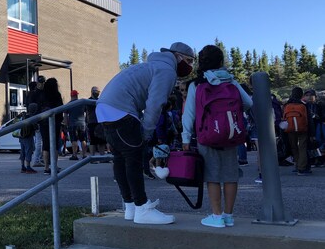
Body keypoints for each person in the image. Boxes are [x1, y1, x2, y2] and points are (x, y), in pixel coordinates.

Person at [97, 41, 195, 225]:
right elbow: (155, 103)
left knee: (120, 159)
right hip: (122, 110)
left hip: (105, 109)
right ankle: (142, 208)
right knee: (133, 159)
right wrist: (147, 132)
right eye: (189, 61)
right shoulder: (166, 71)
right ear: (177, 56)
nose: (190, 66)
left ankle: (131, 207)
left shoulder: (150, 65)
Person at [182, 45, 253, 228]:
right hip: (230, 133)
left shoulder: (196, 85)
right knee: (230, 175)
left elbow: (189, 115)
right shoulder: (230, 81)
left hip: (207, 134)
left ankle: (216, 216)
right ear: (221, 62)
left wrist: (185, 139)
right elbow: (248, 102)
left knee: (212, 176)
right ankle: (229, 215)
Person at [39, 77, 63, 175]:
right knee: (55, 145)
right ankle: (54, 165)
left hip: (44, 122)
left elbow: (39, 108)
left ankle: (46, 167)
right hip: (55, 122)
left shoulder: (42, 95)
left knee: (46, 145)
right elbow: (61, 108)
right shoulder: (57, 95)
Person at [27, 76, 46, 167]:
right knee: (39, 141)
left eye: (43, 83)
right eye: (40, 83)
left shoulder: (43, 93)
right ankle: (36, 160)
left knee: (41, 141)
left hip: (43, 119)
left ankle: (40, 159)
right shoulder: (34, 94)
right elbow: (31, 108)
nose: (42, 84)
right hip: (38, 119)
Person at [85, 86, 107, 164]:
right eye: (95, 91)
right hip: (92, 122)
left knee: (102, 141)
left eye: (98, 91)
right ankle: (93, 158)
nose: (97, 93)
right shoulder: (89, 101)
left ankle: (102, 157)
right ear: (92, 91)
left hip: (100, 122)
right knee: (93, 141)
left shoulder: (100, 100)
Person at [65, 90, 87, 160]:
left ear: (71, 96)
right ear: (77, 95)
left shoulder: (68, 104)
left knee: (74, 140)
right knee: (83, 139)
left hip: (72, 124)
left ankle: (74, 155)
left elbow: (65, 116)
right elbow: (87, 112)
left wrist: (66, 124)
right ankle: (84, 155)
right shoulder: (81, 103)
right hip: (82, 123)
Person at [18, 103, 38, 174]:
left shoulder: (24, 115)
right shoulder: (32, 117)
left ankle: (23, 167)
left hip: (21, 136)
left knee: (22, 151)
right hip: (28, 137)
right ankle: (28, 167)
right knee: (28, 151)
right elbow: (36, 127)